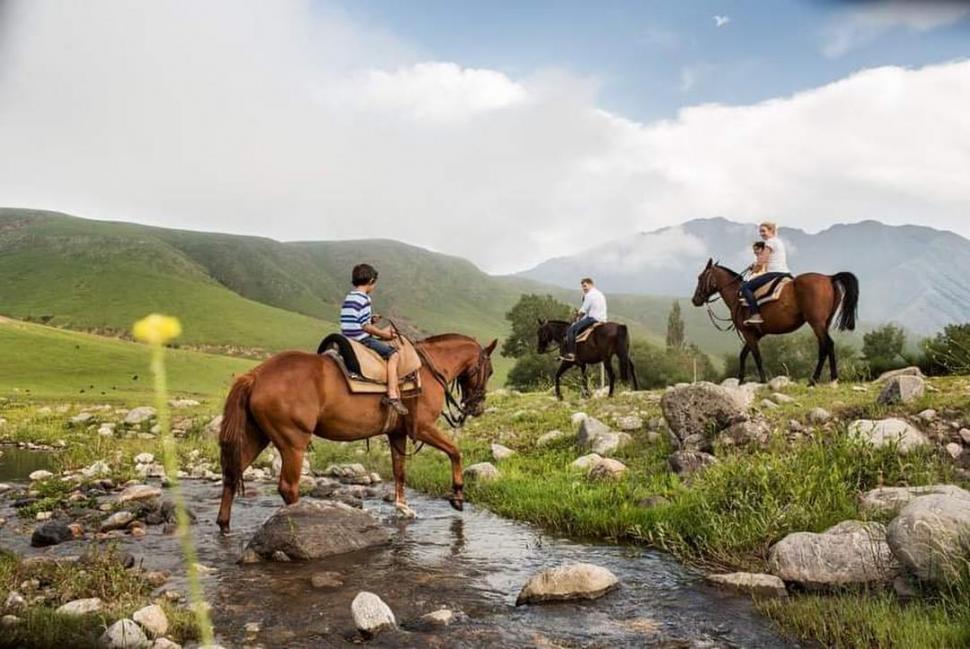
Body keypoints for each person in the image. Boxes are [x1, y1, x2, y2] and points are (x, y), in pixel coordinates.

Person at [340, 263, 409, 415]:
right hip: (361, 339)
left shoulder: (350, 296)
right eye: (374, 283)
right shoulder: (365, 298)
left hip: (346, 337)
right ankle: (392, 395)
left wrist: (371, 319)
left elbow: (356, 320)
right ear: (371, 281)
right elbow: (365, 327)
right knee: (394, 354)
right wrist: (384, 334)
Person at [740, 222, 791, 326]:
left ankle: (755, 315)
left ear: (771, 230)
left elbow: (762, 261)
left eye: (763, 231)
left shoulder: (770, 242)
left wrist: (754, 270)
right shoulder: (778, 241)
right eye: (760, 231)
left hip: (774, 273)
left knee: (745, 288)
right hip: (786, 273)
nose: (761, 234)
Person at [561, 277, 607, 362]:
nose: (584, 288)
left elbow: (583, 311)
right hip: (602, 319)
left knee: (570, 330)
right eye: (583, 287)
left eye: (585, 286)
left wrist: (575, 317)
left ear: (591, 285)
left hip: (593, 318)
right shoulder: (599, 293)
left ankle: (571, 354)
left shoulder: (589, 295)